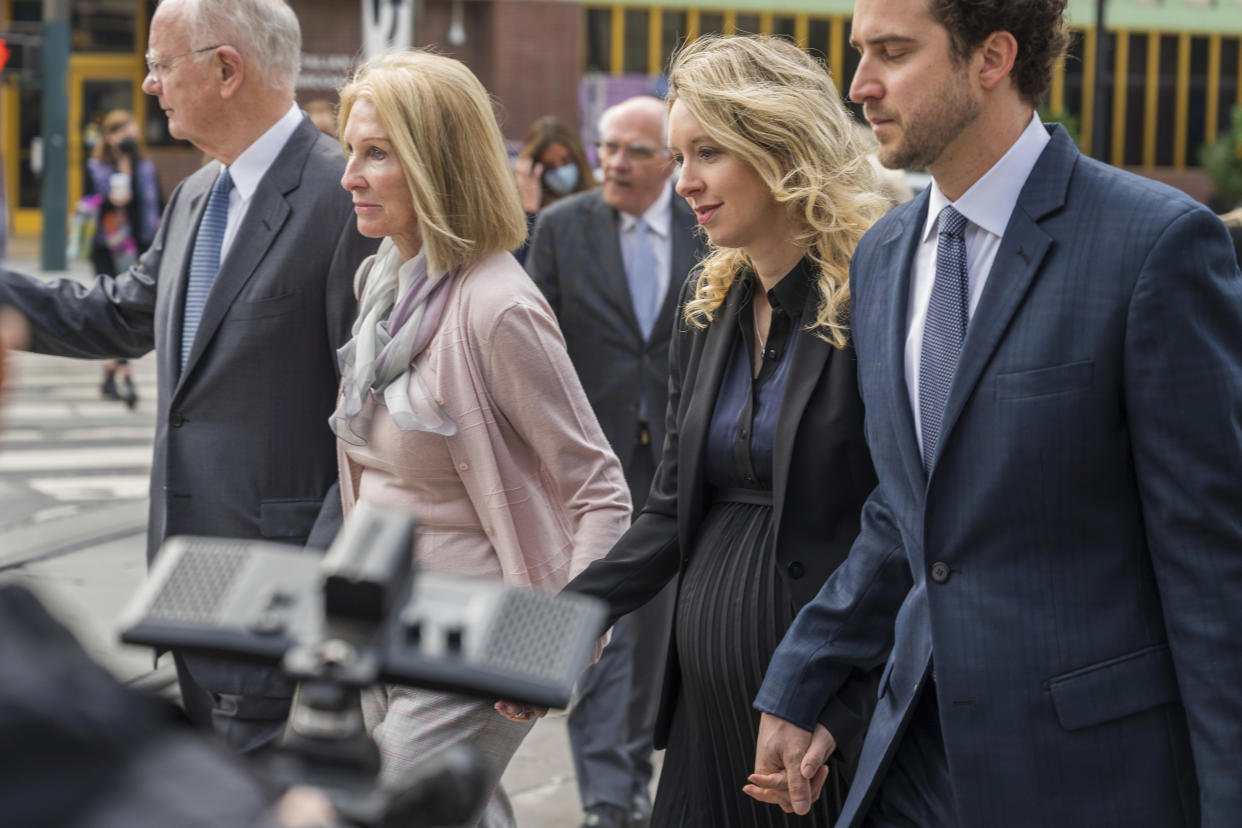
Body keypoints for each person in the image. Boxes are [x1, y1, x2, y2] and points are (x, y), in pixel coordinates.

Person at [748, 1, 1242, 826]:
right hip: (908, 755)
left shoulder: (1156, 245)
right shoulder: (883, 255)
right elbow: (907, 508)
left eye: (894, 53)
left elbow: (1212, 565)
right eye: (860, 52)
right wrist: (806, 675)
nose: (860, 85)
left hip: (1089, 773)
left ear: (992, 59)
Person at [0, 0, 377, 753]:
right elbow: (114, 316)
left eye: (160, 64)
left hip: (277, 602)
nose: (147, 84)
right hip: (186, 592)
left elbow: (367, 425)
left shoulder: (345, 198)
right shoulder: (198, 194)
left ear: (226, 69)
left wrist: (319, 598)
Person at [561, 35, 885, 827]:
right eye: (678, 156)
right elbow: (670, 507)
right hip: (707, 715)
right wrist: (567, 616)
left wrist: (834, 708)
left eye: (708, 152)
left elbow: (902, 531)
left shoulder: (877, 292)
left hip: (816, 722)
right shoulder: (709, 305)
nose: (685, 183)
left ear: (780, 145)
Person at [332, 50, 631, 827]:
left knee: (383, 813)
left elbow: (600, 490)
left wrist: (552, 644)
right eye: (349, 153)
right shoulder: (381, 284)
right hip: (371, 618)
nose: (349, 177)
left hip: (475, 637)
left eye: (374, 154)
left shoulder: (497, 308)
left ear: (434, 164)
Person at [526, 95, 708, 828]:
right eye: (607, 147)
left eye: (635, 151)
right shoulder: (563, 229)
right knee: (599, 624)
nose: (614, 162)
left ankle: (632, 768)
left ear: (670, 161)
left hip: (675, 456)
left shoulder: (708, 231)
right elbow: (536, 350)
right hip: (588, 462)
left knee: (657, 628)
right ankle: (607, 795)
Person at [86, 109, 164, 409]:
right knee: (113, 307)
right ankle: (125, 376)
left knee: (127, 308)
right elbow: (89, 201)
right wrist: (111, 191)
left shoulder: (145, 165)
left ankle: (112, 372)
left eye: (130, 133)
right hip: (108, 246)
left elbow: (156, 203)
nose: (127, 139)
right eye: (120, 133)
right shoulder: (96, 167)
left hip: (140, 245)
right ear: (109, 136)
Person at [512, 115, 595, 266]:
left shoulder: (597, 201)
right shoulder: (529, 213)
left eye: (565, 160)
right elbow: (521, 267)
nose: (561, 171)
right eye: (550, 166)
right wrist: (529, 212)